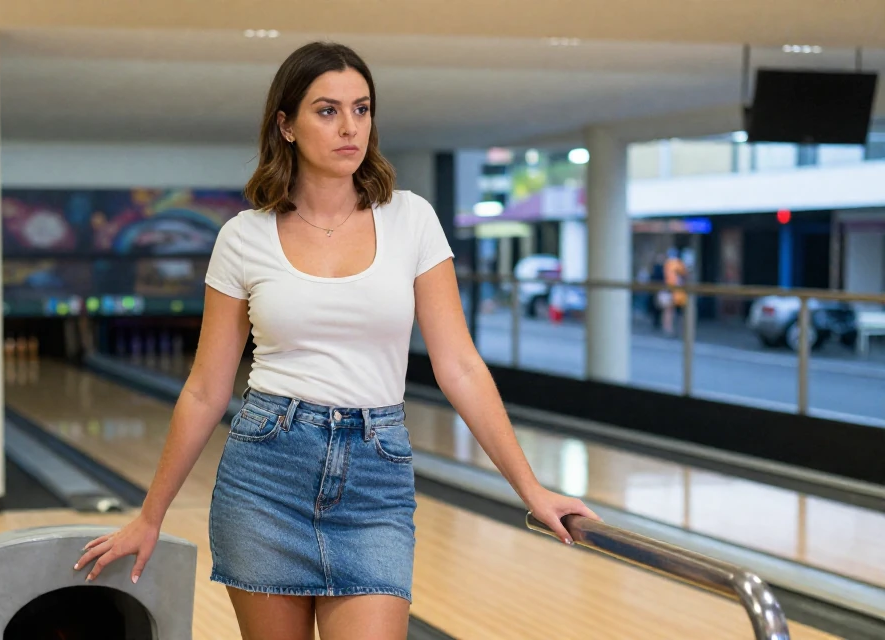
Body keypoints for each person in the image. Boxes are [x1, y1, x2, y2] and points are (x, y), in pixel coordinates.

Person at [73, 41, 599, 640]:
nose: (350, 127)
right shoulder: (243, 237)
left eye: (361, 108)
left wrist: (531, 490)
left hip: (376, 480)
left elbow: (460, 366)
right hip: (265, 479)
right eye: (327, 111)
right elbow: (205, 389)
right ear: (286, 125)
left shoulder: (412, 219)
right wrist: (150, 515)